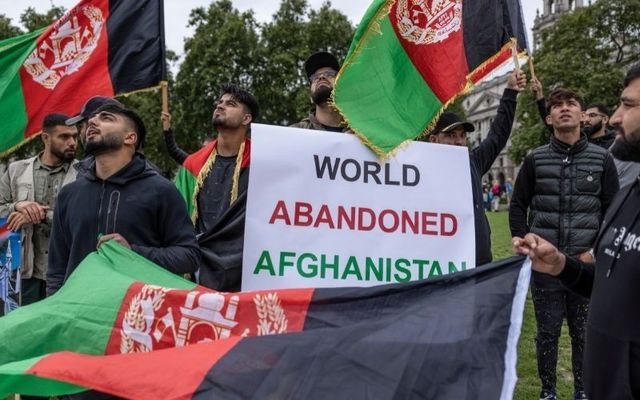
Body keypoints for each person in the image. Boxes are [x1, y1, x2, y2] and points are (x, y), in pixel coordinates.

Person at [512, 64, 640, 400]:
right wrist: (522, 236)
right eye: (556, 105)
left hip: (588, 264)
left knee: (584, 333)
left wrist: (594, 252)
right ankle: (548, 391)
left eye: (571, 103)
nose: (564, 108)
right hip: (547, 268)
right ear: (548, 119)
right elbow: (517, 204)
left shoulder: (603, 160)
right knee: (547, 333)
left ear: (583, 117)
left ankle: (582, 390)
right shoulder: (535, 159)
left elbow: (613, 211)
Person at [47, 104, 201, 296]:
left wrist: (133, 252)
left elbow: (189, 256)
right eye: (92, 118)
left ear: (130, 138)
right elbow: (56, 269)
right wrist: (56, 309)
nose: (93, 121)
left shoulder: (161, 190)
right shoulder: (69, 194)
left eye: (107, 118)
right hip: (78, 315)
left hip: (136, 317)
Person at [164, 84, 259, 291]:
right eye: (220, 102)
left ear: (246, 119)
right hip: (201, 268)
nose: (220, 106)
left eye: (230, 104)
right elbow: (176, 218)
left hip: (247, 269)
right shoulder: (193, 165)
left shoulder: (263, 161)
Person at [428, 69, 526, 266]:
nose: (458, 141)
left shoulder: (473, 161)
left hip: (476, 257)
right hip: (439, 258)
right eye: (450, 135)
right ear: (433, 139)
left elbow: (497, 135)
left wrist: (510, 93)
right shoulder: (417, 169)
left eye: (462, 136)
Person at [0, 114, 78, 305]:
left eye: (75, 137)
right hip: (24, 272)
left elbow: (84, 217)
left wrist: (42, 215)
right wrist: (17, 206)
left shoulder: (84, 174)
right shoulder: (16, 169)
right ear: (45, 138)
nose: (72, 142)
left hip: (68, 271)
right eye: (64, 137)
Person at [531, 77, 640, 188]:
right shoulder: (578, 141)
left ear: (605, 120)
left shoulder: (617, 145)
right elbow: (556, 124)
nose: (587, 119)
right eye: (586, 115)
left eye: (592, 116)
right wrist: (540, 97)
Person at [290, 51, 348, 132]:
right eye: (315, 77)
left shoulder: (363, 134)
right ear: (310, 97)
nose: (321, 77)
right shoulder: (294, 133)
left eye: (330, 74)